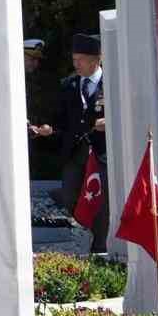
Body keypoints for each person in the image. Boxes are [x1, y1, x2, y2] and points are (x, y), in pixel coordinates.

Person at [51, 33, 108, 254]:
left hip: (102, 153)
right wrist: (50, 129)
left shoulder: (112, 82)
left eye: (81, 60)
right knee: (69, 196)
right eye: (74, 60)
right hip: (75, 152)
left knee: (102, 200)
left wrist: (110, 121)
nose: (76, 64)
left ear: (96, 59)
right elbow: (59, 119)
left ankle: (100, 245)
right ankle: (87, 230)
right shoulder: (68, 85)